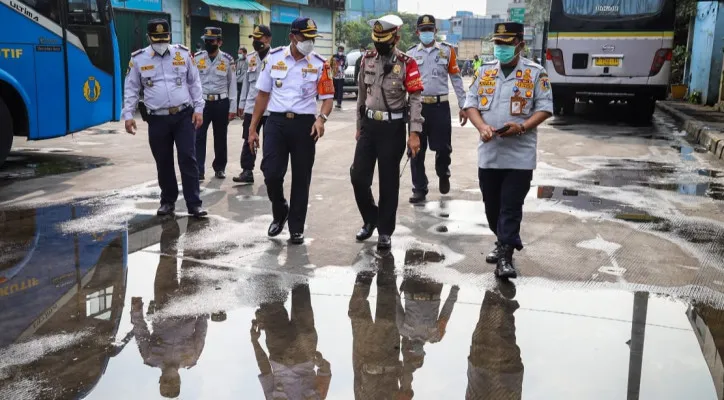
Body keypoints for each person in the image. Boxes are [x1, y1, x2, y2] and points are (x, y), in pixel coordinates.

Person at [463, 22, 553, 279]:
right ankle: (504, 239)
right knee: (492, 207)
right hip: (490, 153)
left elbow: (545, 107)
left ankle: (505, 256)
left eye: (506, 44)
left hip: (519, 155)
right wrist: (481, 127)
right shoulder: (485, 72)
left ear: (520, 45)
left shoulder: (536, 73)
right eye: (498, 43)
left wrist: (523, 126)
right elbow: (470, 105)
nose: (501, 48)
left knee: (511, 206)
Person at [248, 17, 335, 245]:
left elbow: (327, 98)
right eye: (305, 37)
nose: (309, 42)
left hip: (305, 126)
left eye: (312, 37)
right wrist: (253, 128)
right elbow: (262, 95)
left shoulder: (319, 63)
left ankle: (296, 227)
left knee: (301, 178)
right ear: (292, 37)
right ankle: (280, 211)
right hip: (275, 123)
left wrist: (321, 119)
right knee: (272, 174)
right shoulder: (273, 58)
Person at [350, 14, 424, 250]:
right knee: (358, 176)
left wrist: (414, 132)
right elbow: (361, 95)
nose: (378, 44)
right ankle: (371, 217)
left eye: (384, 39)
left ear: (396, 38)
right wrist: (358, 126)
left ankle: (385, 231)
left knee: (388, 182)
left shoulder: (407, 63)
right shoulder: (366, 59)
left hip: (393, 128)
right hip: (370, 126)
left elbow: (415, 99)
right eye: (376, 39)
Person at [123, 19, 207, 218]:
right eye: (156, 39)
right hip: (157, 119)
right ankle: (168, 202)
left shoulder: (183, 54)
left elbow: (195, 83)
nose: (161, 43)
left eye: (164, 38)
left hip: (183, 115)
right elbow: (131, 88)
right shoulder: (138, 59)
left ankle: (194, 204)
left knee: (188, 158)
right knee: (163, 161)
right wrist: (128, 114)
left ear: (169, 36)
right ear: (149, 38)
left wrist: (199, 109)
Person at [130, 219, 210, 398]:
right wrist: (204, 305)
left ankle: (169, 223)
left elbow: (140, 332)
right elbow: (201, 330)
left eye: (166, 382)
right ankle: (196, 222)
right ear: (179, 380)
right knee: (192, 261)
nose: (170, 379)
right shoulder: (191, 358)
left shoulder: (150, 357)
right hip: (188, 305)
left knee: (167, 257)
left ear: (160, 380)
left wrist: (136, 311)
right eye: (173, 382)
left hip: (163, 303)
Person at [406, 15, 468, 203]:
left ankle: (443, 172)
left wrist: (463, 105)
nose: (426, 33)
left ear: (435, 31)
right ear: (417, 32)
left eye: (430, 29)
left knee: (443, 147)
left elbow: (456, 79)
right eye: (423, 30)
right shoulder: (410, 54)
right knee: (416, 149)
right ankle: (419, 188)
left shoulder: (447, 51)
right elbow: (404, 82)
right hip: (418, 107)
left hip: (440, 107)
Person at [251, 281, 332, 399]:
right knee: (301, 292)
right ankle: (297, 268)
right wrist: (321, 362)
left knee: (270, 297)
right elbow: (325, 372)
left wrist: (255, 341)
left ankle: (268, 271)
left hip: (278, 349)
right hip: (304, 349)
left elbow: (265, 370)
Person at [348, 252, 406, 399]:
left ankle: (367, 273)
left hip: (367, 358)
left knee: (358, 313)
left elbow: (357, 382)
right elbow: (406, 392)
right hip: (384, 356)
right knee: (385, 310)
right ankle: (385, 262)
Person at [194, 27, 237, 180]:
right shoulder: (197, 58)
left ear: (219, 42)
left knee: (220, 137)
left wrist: (233, 107)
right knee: (198, 136)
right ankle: (199, 169)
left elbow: (232, 84)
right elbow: (193, 83)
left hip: (221, 103)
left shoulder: (227, 60)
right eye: (206, 40)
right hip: (202, 102)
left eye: (211, 41)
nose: (208, 43)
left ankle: (219, 168)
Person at [466, 286, 522, 399]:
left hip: (507, 377)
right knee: (489, 336)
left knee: (502, 336)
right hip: (486, 368)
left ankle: (501, 302)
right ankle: (498, 299)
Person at [233, 25, 273, 184]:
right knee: (248, 139)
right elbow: (246, 85)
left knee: (270, 141)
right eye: (254, 38)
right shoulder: (250, 58)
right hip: (251, 106)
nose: (256, 41)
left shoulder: (276, 57)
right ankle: (247, 171)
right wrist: (241, 103)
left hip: (271, 108)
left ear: (268, 39)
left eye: (260, 38)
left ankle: (269, 171)